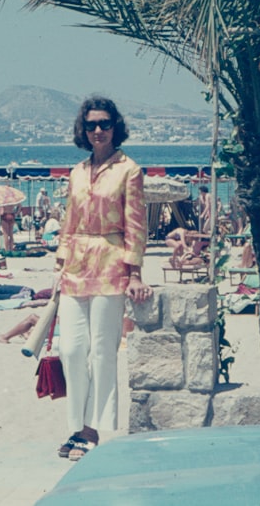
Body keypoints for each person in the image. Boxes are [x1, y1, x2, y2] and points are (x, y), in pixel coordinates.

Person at [55, 96, 151, 462]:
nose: (98, 130)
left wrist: (136, 272)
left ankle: (90, 430)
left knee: (101, 351)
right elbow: (68, 221)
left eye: (105, 124)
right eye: (92, 124)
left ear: (116, 127)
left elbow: (136, 225)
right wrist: (60, 262)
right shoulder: (77, 172)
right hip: (76, 266)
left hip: (111, 264)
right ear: (84, 129)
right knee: (71, 350)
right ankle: (77, 422)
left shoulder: (130, 170)